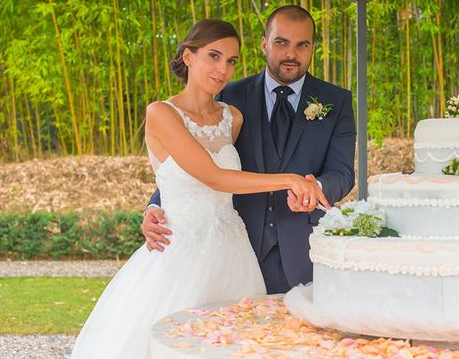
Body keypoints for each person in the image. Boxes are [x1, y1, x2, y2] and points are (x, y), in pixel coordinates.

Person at [70, 19, 328, 359]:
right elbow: (212, 176)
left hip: (234, 251)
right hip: (180, 253)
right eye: (214, 56)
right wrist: (290, 179)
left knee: (236, 343)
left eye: (231, 61)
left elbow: (217, 180)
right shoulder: (161, 113)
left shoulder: (232, 117)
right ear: (188, 57)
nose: (223, 69)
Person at [143, 6, 356, 294]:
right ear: (264, 43)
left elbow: (342, 172)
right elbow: (193, 163)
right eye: (282, 43)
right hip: (241, 251)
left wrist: (313, 188)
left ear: (312, 48)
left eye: (301, 45)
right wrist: (156, 206)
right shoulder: (229, 96)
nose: (291, 54)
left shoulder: (336, 100)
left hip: (304, 251)